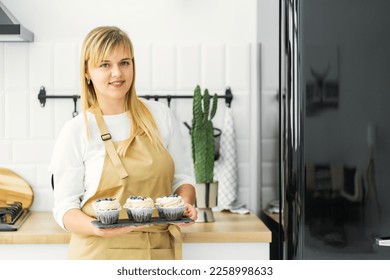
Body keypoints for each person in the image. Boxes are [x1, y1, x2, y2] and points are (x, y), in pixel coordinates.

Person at [49, 26, 197, 260]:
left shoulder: (161, 116)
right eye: (105, 65)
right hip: (98, 256)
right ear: (87, 71)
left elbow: (183, 178)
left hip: (157, 253)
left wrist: (186, 206)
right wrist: (96, 227)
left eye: (124, 63)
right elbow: (64, 209)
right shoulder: (77, 130)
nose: (117, 73)